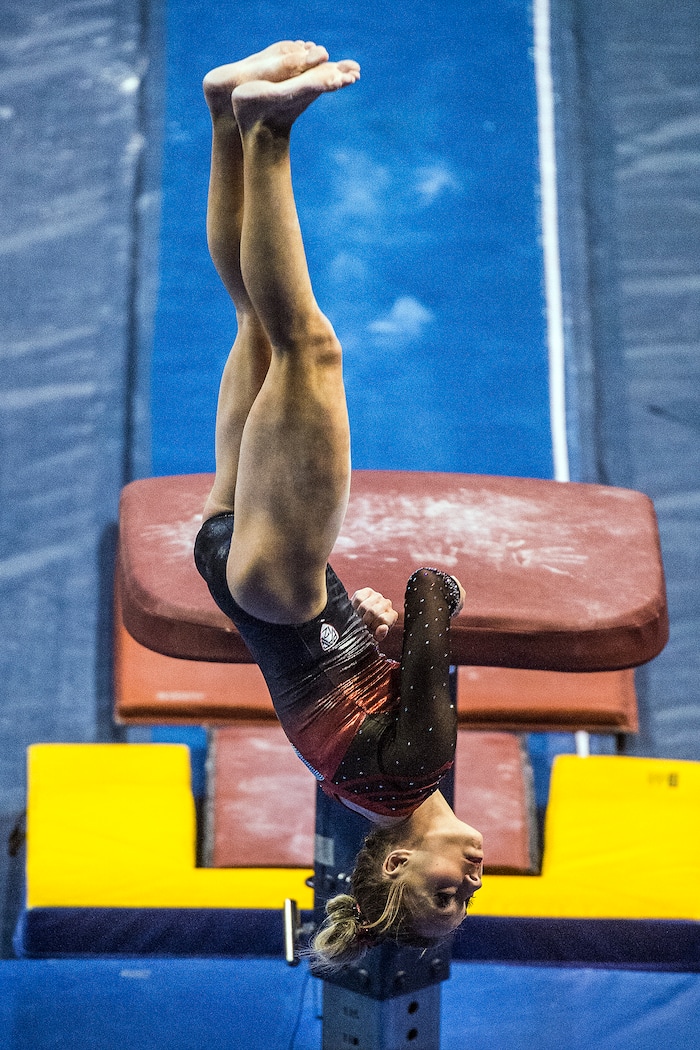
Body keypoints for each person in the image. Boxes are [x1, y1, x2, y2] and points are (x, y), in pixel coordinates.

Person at [193, 41, 483, 969]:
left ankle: (267, 130)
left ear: (396, 867)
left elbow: (435, 589)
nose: (471, 878)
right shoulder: (373, 790)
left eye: (444, 893)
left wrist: (412, 631)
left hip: (286, 587)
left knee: (308, 345)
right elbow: (383, 649)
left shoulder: (409, 776)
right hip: (240, 574)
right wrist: (387, 636)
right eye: (469, 898)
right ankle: (224, 113)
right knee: (260, 330)